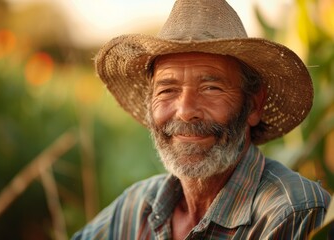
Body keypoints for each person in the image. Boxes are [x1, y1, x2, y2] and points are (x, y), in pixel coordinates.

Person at [73, 0, 331, 239]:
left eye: (211, 88)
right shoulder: (136, 206)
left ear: (254, 104)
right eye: (167, 90)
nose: (186, 111)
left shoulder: (294, 212)